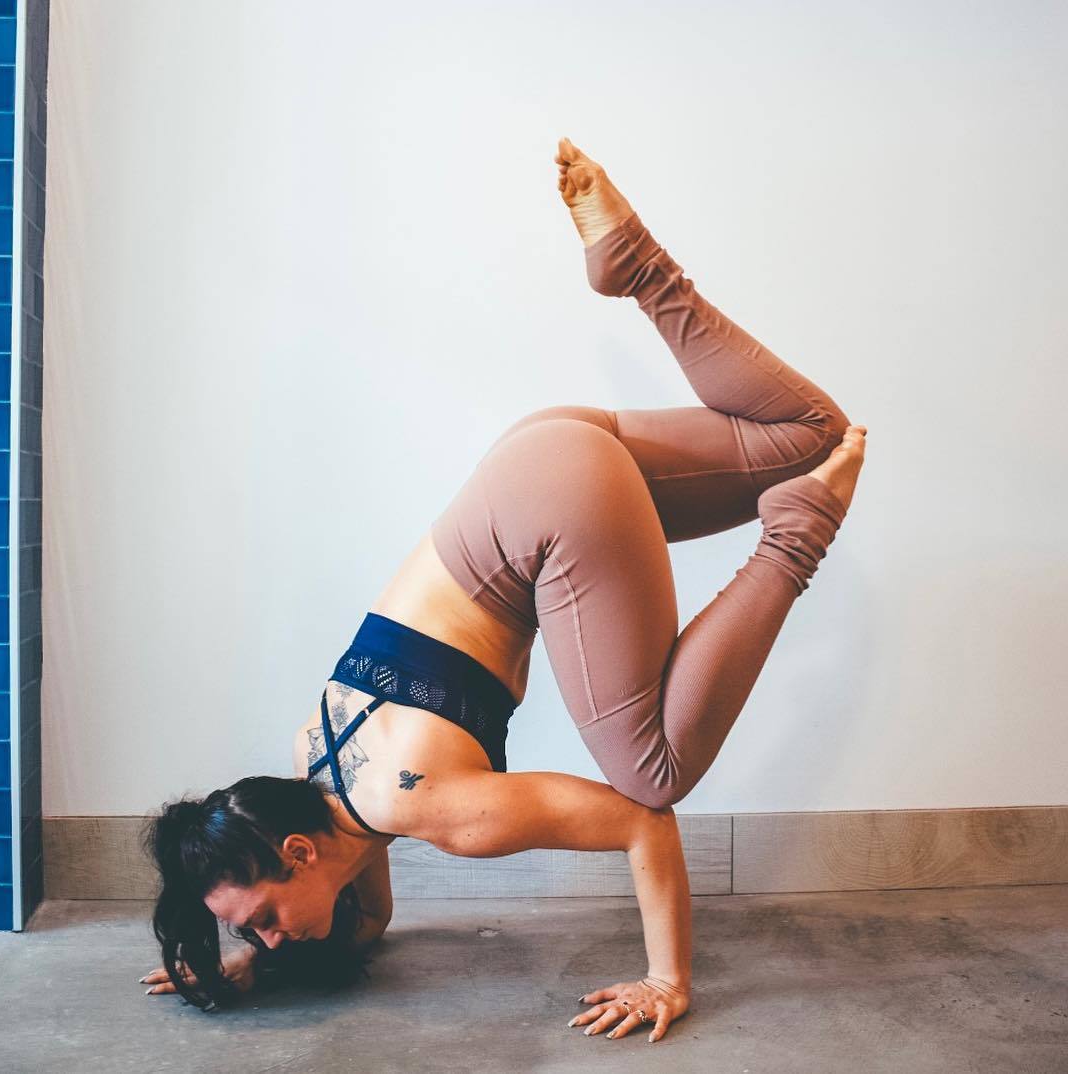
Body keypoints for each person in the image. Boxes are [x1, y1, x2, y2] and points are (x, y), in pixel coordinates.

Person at [141, 138, 867, 1042]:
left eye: (259, 922)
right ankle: (637, 266)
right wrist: (248, 967)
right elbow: (370, 918)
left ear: (296, 853)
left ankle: (796, 537)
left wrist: (663, 979)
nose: (266, 938)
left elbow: (642, 824)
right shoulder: (314, 767)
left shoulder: (420, 801)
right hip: (536, 457)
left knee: (651, 771)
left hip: (555, 511)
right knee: (810, 433)